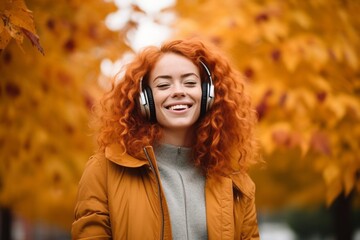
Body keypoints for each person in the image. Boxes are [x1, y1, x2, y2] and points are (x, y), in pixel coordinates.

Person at [72, 38, 260, 239]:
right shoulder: (103, 172)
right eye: (163, 85)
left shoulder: (236, 182)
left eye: (189, 82)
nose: (178, 92)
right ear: (145, 99)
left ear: (208, 94)